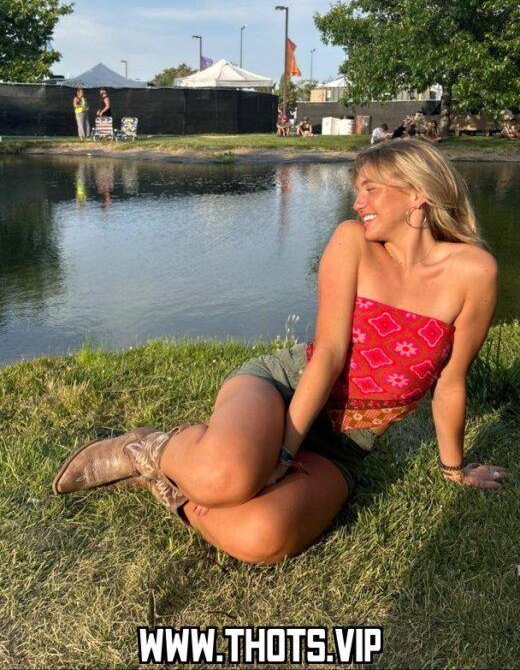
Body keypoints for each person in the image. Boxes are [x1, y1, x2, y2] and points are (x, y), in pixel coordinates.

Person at [53, 139, 508, 565]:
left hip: (344, 447)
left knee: (261, 537)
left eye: (371, 189)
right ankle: (149, 448)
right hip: (282, 389)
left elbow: (451, 381)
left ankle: (172, 488)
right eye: (357, 190)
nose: (358, 202)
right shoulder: (352, 242)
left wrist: (454, 468)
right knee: (223, 479)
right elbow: (328, 355)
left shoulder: (474, 272)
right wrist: (284, 455)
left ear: (418, 193)